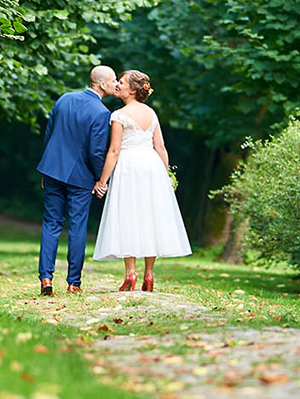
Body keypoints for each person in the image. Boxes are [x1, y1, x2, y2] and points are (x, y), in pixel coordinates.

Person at [92, 70, 191, 291]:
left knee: (129, 216)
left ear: (134, 89)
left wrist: (102, 181)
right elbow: (161, 147)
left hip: (129, 167)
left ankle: (130, 274)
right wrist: (166, 177)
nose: (117, 84)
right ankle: (149, 275)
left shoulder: (119, 115)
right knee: (150, 216)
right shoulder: (151, 113)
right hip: (152, 166)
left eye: (122, 81)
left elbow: (114, 151)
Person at [35, 65, 118, 295]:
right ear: (102, 84)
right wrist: (100, 179)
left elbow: (49, 135)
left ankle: (46, 279)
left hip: (53, 170)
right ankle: (74, 283)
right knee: (77, 227)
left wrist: (46, 169)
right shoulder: (101, 113)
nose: (116, 85)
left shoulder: (64, 99)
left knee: (51, 224)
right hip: (80, 177)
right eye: (113, 81)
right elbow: (96, 152)